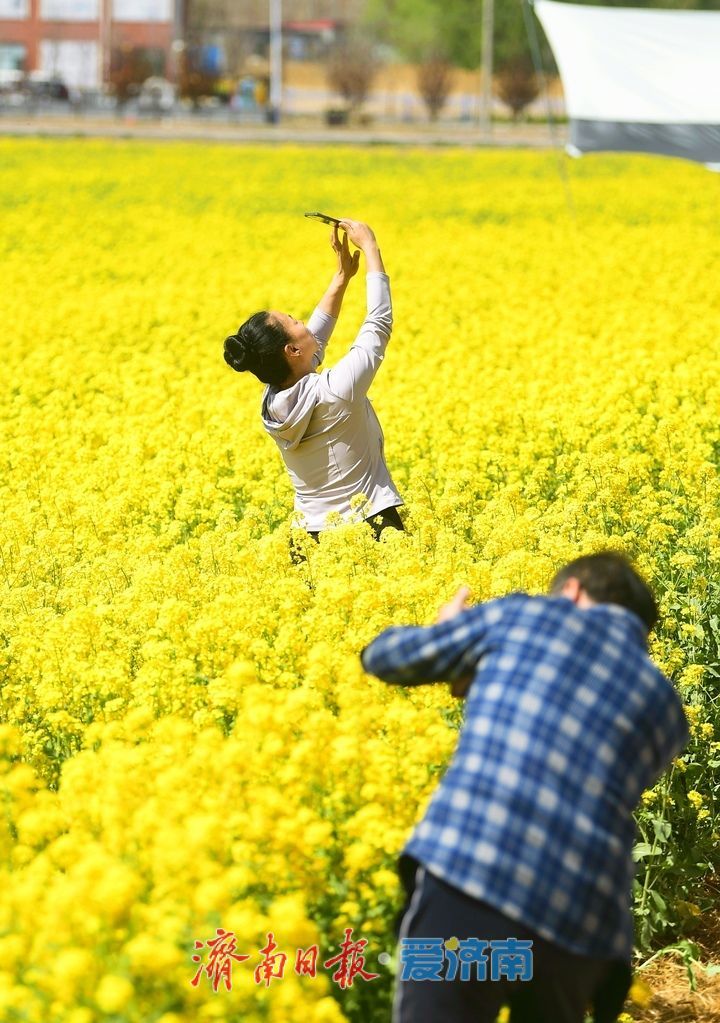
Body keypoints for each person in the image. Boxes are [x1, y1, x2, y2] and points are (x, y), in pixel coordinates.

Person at [360, 551, 690, 1023]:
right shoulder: (666, 710)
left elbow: (389, 659)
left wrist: (450, 635)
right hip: (580, 931)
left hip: (478, 881)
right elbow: (578, 753)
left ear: (573, 591)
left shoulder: (524, 617)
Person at [223, 220, 403, 544]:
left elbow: (311, 341)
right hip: (369, 529)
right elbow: (378, 324)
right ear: (291, 350)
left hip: (309, 541)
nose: (303, 321)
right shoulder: (335, 392)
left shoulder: (273, 401)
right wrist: (371, 249)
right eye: (294, 321)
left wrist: (342, 277)